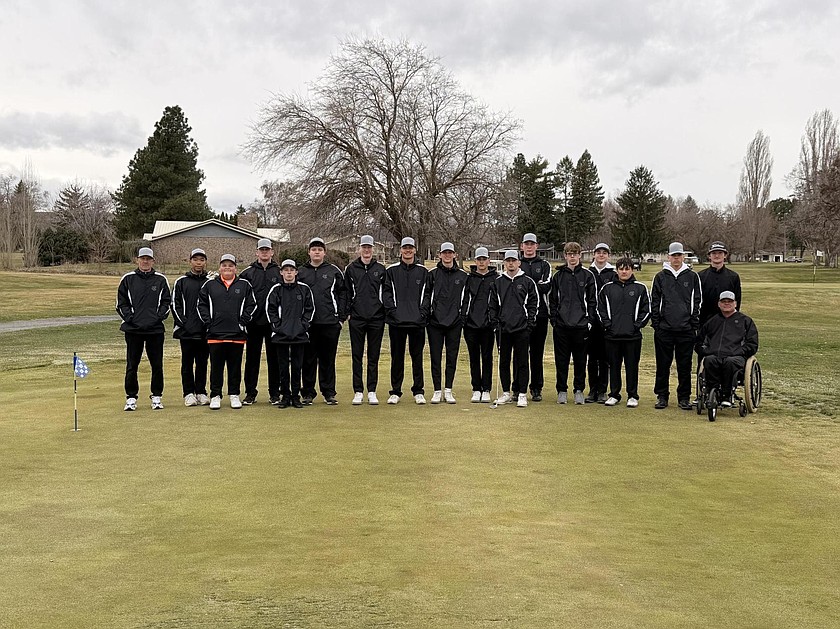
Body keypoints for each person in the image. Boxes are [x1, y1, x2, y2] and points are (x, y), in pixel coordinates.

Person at [197, 254, 257, 410]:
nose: (227, 268)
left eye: (230, 265)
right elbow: (201, 305)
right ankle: (215, 395)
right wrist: (208, 322)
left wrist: (243, 321)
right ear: (219, 268)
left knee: (234, 366)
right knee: (216, 367)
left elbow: (252, 305)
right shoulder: (209, 285)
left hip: (236, 334)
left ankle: (234, 395)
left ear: (235, 268)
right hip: (215, 334)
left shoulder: (244, 285)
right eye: (224, 265)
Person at [116, 246, 171, 411]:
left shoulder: (160, 280)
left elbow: (166, 303)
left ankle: (156, 396)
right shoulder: (128, 279)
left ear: (153, 261)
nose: (145, 261)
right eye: (143, 258)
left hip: (155, 330)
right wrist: (131, 318)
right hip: (134, 330)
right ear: (137, 260)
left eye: (148, 259)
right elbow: (121, 303)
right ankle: (131, 398)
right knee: (132, 365)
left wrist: (157, 318)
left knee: (157, 365)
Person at [650, 242, 702, 410]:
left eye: (679, 255)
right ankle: (662, 396)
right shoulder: (660, 277)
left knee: (685, 365)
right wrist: (657, 324)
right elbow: (655, 302)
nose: (676, 258)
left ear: (683, 257)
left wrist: (693, 323)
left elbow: (697, 301)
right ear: (669, 257)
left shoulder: (692, 277)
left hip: (686, 329)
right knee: (663, 364)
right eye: (674, 255)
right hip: (664, 329)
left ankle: (684, 397)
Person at [298, 237, 347, 405]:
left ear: (324, 252)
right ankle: (308, 393)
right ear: (309, 252)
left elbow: (343, 294)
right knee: (308, 359)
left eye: (320, 249)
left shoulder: (334, 271)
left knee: (328, 359)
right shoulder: (301, 272)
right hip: (308, 324)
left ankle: (329, 392)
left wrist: (340, 318)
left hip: (330, 323)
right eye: (314, 249)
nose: (317, 252)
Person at [597, 257, 650, 408]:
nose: (624, 271)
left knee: (631, 366)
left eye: (627, 269)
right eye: (621, 269)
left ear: (632, 270)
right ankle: (614, 394)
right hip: (612, 335)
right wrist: (607, 325)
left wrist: (637, 325)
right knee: (614, 366)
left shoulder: (640, 288)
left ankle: (632, 395)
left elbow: (647, 310)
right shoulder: (607, 288)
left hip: (632, 336)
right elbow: (600, 309)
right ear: (617, 270)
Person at [382, 236, 430, 405]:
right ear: (400, 250)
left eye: (411, 248)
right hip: (397, 322)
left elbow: (427, 295)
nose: (408, 250)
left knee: (417, 357)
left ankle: (418, 391)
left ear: (415, 250)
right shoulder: (391, 271)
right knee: (397, 357)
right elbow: (386, 294)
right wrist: (393, 312)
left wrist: (422, 313)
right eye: (405, 248)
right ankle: (395, 391)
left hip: (417, 322)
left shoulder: (423, 272)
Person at [549, 241, 597, 405]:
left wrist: (589, 320)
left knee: (580, 360)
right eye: (569, 254)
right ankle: (561, 390)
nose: (572, 257)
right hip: (561, 326)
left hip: (581, 326)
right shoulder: (558, 276)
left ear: (579, 255)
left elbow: (592, 301)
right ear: (565, 255)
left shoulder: (587, 275)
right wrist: (554, 320)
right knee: (561, 360)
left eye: (575, 254)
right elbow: (553, 301)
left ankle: (579, 390)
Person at [489, 250, 538, 408]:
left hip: (522, 329)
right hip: (503, 329)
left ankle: (522, 393)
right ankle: (505, 393)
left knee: (522, 362)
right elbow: (492, 306)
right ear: (504, 263)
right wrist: (496, 324)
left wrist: (529, 324)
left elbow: (533, 304)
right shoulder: (498, 282)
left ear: (519, 263)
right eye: (508, 261)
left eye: (513, 260)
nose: (510, 263)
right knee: (504, 362)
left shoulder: (527, 281)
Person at [239, 238, 282, 406]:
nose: (264, 252)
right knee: (252, 359)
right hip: (253, 324)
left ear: (272, 252)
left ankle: (275, 393)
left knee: (275, 359)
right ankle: (250, 393)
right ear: (257, 252)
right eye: (261, 250)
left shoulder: (279, 271)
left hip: (274, 324)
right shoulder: (247, 273)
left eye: (267, 250)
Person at [267, 259, 315, 409]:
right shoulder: (276, 289)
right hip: (281, 336)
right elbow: (271, 310)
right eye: (285, 270)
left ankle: (295, 396)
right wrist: (278, 327)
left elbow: (310, 309)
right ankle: (285, 396)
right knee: (282, 368)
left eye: (291, 270)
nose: (288, 273)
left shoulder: (304, 289)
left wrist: (303, 326)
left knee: (297, 367)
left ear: (296, 272)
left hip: (299, 335)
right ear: (281, 272)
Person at [344, 235, 386, 405]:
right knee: (357, 355)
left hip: (376, 318)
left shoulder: (381, 269)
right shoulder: (351, 269)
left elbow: (386, 293)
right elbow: (346, 293)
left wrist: (384, 312)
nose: (367, 250)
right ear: (359, 248)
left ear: (373, 249)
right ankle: (358, 391)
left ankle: (372, 391)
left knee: (373, 356)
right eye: (364, 247)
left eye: (369, 247)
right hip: (357, 318)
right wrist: (347, 312)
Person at [696, 291, 758, 407]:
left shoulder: (745, 321)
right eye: (723, 302)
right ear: (719, 304)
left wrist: (738, 352)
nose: (726, 304)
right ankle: (712, 393)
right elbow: (699, 342)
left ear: (735, 303)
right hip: (715, 355)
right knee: (709, 360)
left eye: (729, 301)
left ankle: (727, 395)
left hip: (735, 357)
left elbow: (752, 344)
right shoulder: (712, 321)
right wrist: (706, 351)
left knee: (730, 363)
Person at [427, 242, 468, 404]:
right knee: (435, 357)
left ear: (455, 255)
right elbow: (427, 297)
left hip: (455, 323)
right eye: (444, 253)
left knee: (452, 357)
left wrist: (461, 317)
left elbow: (466, 300)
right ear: (439, 255)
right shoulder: (432, 274)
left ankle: (448, 390)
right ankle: (437, 390)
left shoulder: (463, 276)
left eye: (450, 253)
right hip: (435, 323)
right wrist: (429, 315)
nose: (447, 255)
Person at [171, 248, 210, 407]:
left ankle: (200, 391)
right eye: (195, 259)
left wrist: (209, 324)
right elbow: (175, 305)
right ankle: (188, 393)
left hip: (205, 330)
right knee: (187, 363)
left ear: (205, 262)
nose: (198, 263)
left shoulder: (211, 282)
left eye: (201, 260)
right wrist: (184, 323)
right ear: (190, 261)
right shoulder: (181, 282)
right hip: (186, 331)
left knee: (202, 363)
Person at [461, 247, 498, 403]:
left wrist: (494, 320)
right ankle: (476, 389)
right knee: (474, 357)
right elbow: (464, 300)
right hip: (471, 325)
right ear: (475, 261)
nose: (482, 262)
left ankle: (486, 389)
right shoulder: (469, 278)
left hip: (488, 325)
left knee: (487, 357)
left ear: (488, 260)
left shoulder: (496, 278)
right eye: (479, 259)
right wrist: (464, 319)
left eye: (484, 259)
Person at [519, 233, 552, 401]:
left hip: (540, 315)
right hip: (520, 316)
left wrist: (525, 285)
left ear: (537, 246)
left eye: (532, 244)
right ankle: (519, 387)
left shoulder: (544, 265)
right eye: (527, 244)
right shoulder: (516, 263)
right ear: (522, 246)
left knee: (537, 353)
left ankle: (536, 387)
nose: (529, 247)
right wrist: (533, 285)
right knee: (520, 353)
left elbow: (546, 286)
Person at [586, 242, 617, 403]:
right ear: (594, 254)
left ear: (608, 255)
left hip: (606, 322)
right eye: (598, 252)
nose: (601, 255)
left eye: (604, 252)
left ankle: (603, 390)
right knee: (592, 358)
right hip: (591, 322)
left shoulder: (613, 273)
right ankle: (592, 390)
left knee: (605, 358)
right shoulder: (588, 272)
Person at [698, 241, 741, 326]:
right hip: (704, 321)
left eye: (720, 253)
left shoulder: (733, 276)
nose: (717, 256)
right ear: (709, 256)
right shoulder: (700, 276)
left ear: (725, 255)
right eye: (714, 253)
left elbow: (737, 300)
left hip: (727, 321)